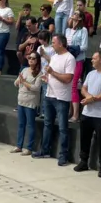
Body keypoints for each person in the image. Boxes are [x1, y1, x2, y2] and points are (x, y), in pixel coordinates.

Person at [32, 34, 76, 166]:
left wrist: (52, 73)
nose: (52, 45)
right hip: (49, 94)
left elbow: (68, 78)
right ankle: (45, 150)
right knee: (47, 124)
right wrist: (47, 78)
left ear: (61, 44)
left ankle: (63, 155)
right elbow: (52, 73)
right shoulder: (55, 57)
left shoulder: (70, 58)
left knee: (63, 128)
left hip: (61, 98)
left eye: (54, 43)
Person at [75, 51, 101, 177]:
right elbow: (83, 88)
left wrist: (93, 99)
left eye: (94, 58)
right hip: (87, 112)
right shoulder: (91, 73)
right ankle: (83, 161)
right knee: (84, 137)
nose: (91, 60)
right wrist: (88, 97)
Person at [12, 52, 42, 155]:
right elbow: (16, 83)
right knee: (21, 124)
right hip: (21, 101)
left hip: (31, 102)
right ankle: (19, 146)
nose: (31, 60)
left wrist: (24, 82)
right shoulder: (24, 70)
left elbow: (36, 88)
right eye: (29, 58)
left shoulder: (39, 73)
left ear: (37, 60)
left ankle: (29, 148)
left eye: (33, 58)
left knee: (30, 125)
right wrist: (18, 81)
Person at [65, 12, 89, 122]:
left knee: (74, 85)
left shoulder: (83, 30)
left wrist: (72, 48)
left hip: (78, 59)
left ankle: (75, 114)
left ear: (79, 17)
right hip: (68, 60)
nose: (73, 14)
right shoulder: (68, 30)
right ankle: (70, 112)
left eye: (75, 13)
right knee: (68, 85)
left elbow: (84, 46)